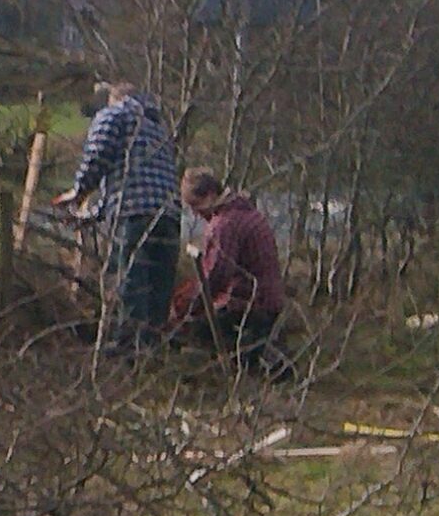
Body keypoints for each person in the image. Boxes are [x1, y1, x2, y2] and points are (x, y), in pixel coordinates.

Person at [53, 80, 180, 351]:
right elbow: (133, 179)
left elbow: (98, 157)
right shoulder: (158, 127)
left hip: (133, 215)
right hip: (168, 216)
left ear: (114, 98)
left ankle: (127, 348)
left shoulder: (114, 114)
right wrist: (92, 215)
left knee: (130, 280)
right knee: (157, 287)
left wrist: (77, 192)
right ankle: (151, 350)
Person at [169, 169, 287, 372]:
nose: (196, 213)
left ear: (210, 196)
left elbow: (215, 279)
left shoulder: (224, 224)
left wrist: (186, 309)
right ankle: (260, 354)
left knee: (186, 331)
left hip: (249, 307)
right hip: (268, 303)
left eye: (195, 205)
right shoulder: (247, 213)